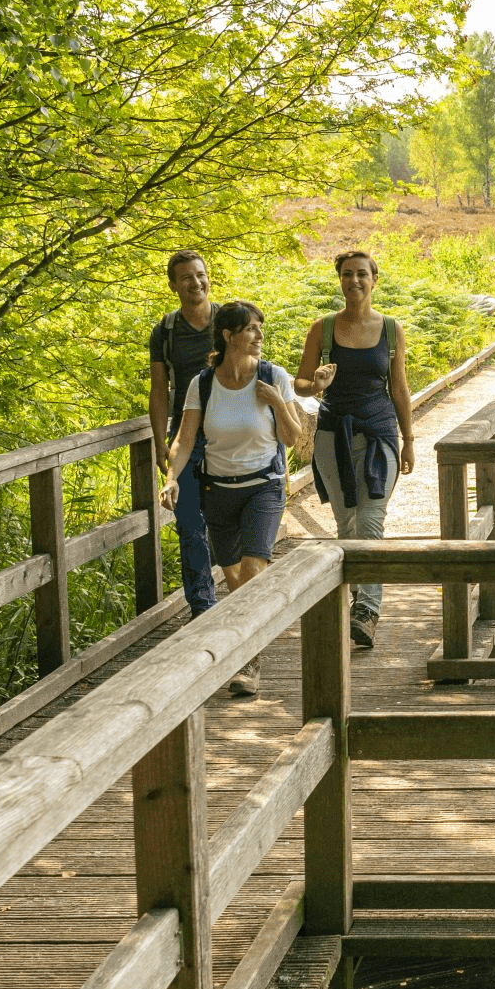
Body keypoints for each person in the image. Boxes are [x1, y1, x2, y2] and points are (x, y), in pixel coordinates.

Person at [159, 301, 309, 696]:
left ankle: (249, 662)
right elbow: (185, 438)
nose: (259, 336)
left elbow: (294, 439)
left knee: (254, 568)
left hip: (264, 485)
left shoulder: (273, 376)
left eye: (261, 328)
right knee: (235, 580)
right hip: (218, 490)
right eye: (251, 329)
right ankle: (250, 650)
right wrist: (172, 478)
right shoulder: (202, 384)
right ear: (228, 336)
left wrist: (277, 401)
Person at [296, 250, 416, 651]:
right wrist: (315, 383)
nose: (354, 281)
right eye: (347, 275)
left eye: (362, 274)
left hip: (379, 431)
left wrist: (409, 438)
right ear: (340, 280)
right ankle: (356, 601)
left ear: (374, 279)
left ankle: (368, 610)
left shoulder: (391, 329)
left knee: (370, 518)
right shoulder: (323, 329)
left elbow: (398, 387)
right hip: (333, 436)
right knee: (346, 523)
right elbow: (298, 383)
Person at [145, 250, 222, 613]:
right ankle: (202, 607)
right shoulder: (165, 330)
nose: (196, 283)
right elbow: (159, 389)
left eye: (201, 274)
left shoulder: (229, 320)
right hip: (185, 437)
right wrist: (160, 440)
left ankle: (238, 596)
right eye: (187, 277)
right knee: (189, 522)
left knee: (225, 520)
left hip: (229, 433)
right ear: (173, 284)